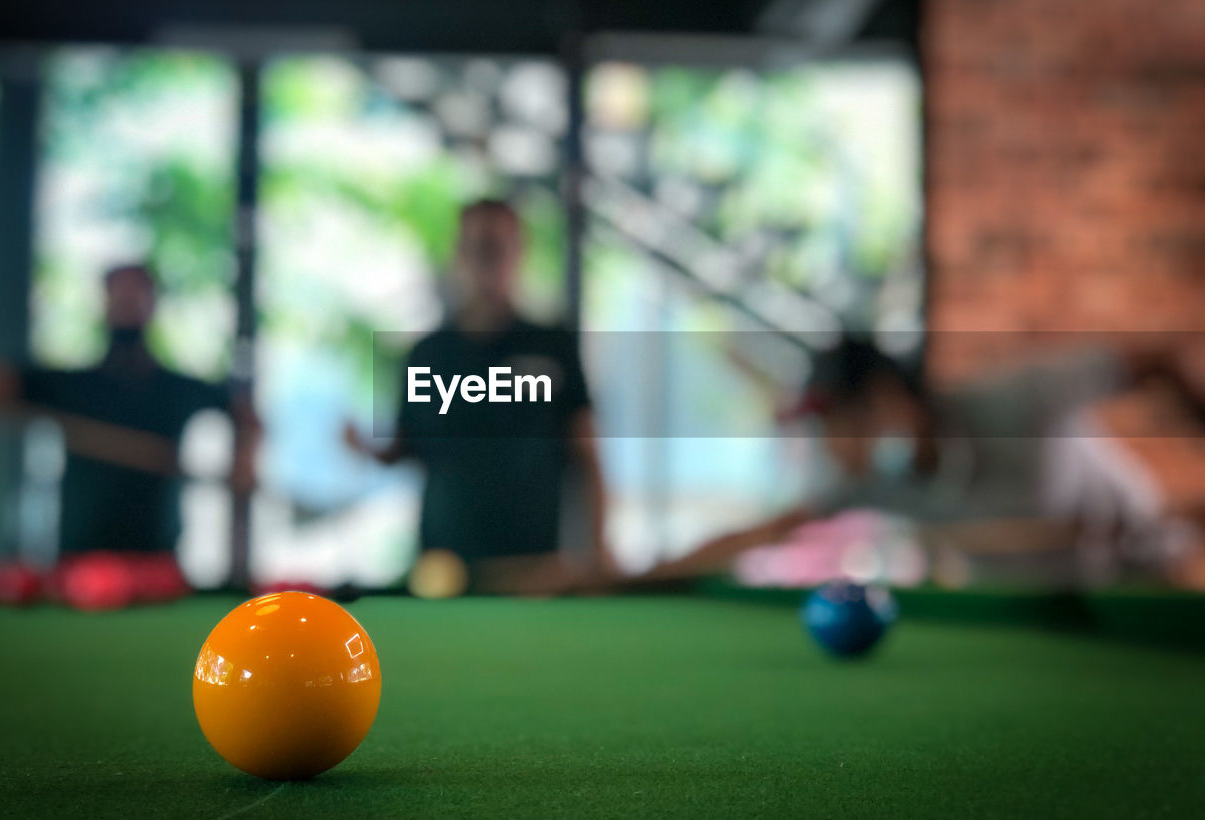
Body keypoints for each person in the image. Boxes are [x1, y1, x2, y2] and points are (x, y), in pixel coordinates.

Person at [643, 335, 1205, 582]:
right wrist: (633, 575)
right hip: (1028, 621)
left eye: (838, 424)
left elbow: (1155, 359)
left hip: (1136, 573)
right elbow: (761, 534)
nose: (832, 447)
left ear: (889, 398)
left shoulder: (1014, 401)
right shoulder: (867, 482)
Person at [344, 199, 608, 576]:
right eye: (478, 247)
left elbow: (587, 452)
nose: (489, 259)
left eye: (499, 247)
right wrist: (364, 447)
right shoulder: (427, 354)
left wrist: (599, 550)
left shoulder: (552, 346)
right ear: (459, 254)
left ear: (519, 252)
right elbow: (406, 448)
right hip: (444, 563)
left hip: (532, 565)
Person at [0, 263, 257, 557]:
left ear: (152, 303)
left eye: (137, 293)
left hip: (156, 557)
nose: (127, 302)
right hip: (79, 555)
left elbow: (245, 415)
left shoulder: (179, 388)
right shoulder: (72, 386)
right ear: (104, 303)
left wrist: (243, 462)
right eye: (119, 294)